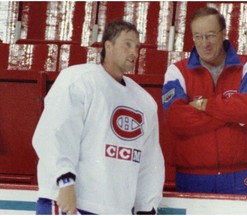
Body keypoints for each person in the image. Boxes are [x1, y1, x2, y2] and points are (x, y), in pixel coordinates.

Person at [33, 20, 165, 214]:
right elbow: (55, 132)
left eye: (137, 47)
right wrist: (64, 180)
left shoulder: (144, 102)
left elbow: (149, 160)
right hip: (71, 202)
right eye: (127, 44)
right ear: (108, 46)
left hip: (116, 209)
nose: (134, 53)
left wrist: (146, 207)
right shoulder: (79, 79)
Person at [162, 7, 247, 195]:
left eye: (210, 35)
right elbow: (177, 120)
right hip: (191, 176)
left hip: (238, 176)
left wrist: (203, 105)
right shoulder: (177, 71)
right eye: (198, 36)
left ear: (223, 34)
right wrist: (230, 113)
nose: (204, 43)